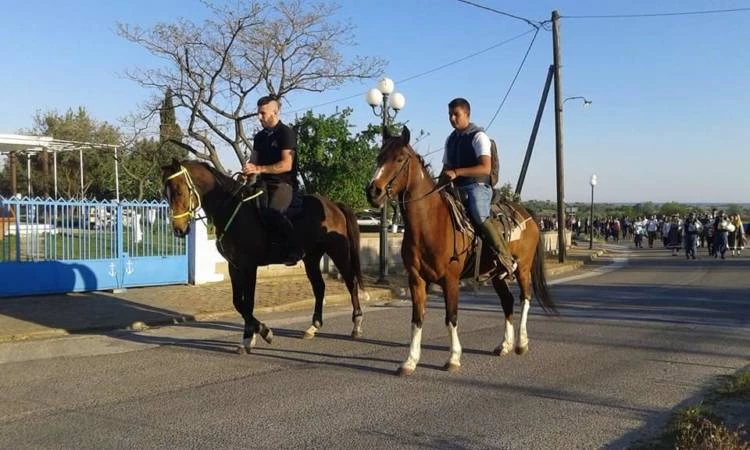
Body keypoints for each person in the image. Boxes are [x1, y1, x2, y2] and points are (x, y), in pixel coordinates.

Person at [440, 97, 514, 278]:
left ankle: (506, 258)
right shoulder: (450, 140)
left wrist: (457, 172)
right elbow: (445, 168)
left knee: (480, 216)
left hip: (477, 186)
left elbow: (485, 167)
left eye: (456, 114)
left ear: (467, 114)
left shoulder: (478, 137)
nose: (452, 119)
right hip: (455, 187)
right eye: (450, 115)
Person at [243, 95, 303, 265]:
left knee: (273, 213)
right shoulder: (259, 137)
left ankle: (295, 249)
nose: (259, 117)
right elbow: (253, 162)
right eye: (258, 113)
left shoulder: (286, 133)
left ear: (275, 112)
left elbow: (287, 164)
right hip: (261, 185)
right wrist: (246, 171)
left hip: (283, 184)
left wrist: (259, 169)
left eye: (263, 113)